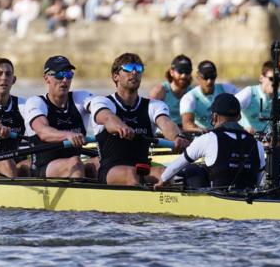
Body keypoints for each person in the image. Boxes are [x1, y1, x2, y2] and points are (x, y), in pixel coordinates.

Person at [85, 52, 187, 185]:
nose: (134, 72)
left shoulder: (154, 105)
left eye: (138, 69)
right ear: (115, 76)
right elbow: (107, 118)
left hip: (142, 169)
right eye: (128, 68)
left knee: (165, 174)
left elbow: (166, 123)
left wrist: (177, 137)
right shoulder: (102, 102)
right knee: (131, 174)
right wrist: (121, 127)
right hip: (111, 171)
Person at [156, 93, 265, 191]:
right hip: (249, 197)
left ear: (214, 117)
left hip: (220, 197)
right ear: (239, 117)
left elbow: (177, 165)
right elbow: (261, 181)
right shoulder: (257, 144)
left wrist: (162, 180)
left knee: (192, 169)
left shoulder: (208, 138)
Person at [24, 55, 94, 179]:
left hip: (74, 164)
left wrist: (115, 123)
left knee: (99, 163)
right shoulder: (36, 102)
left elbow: (103, 111)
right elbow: (43, 132)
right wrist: (67, 135)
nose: (65, 80)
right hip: (43, 169)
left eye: (69, 75)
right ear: (46, 78)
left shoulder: (81, 98)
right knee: (75, 162)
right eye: (59, 75)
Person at [178, 60, 239, 133]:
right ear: (198, 77)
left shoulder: (228, 89)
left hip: (226, 133)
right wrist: (205, 131)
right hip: (202, 134)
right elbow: (187, 125)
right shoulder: (189, 97)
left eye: (212, 76)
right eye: (206, 77)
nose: (209, 81)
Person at [235, 61, 280, 135]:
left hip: (270, 138)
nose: (276, 83)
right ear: (261, 78)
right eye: (272, 79)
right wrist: (242, 128)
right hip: (248, 137)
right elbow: (228, 109)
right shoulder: (249, 92)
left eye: (279, 79)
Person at [148, 55, 194, 122]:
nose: (183, 75)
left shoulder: (192, 92)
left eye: (187, 71)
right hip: (163, 128)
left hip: (185, 128)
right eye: (180, 71)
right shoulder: (159, 91)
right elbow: (147, 115)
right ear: (171, 72)